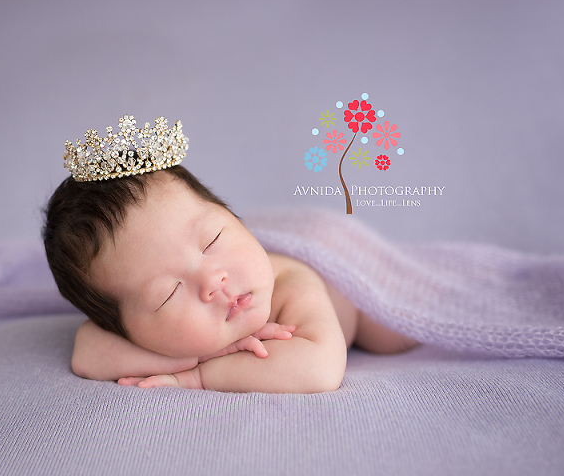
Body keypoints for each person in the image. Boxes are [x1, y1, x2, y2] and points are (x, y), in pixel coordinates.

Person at [43, 116, 418, 393]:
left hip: (349, 278)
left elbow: (318, 368)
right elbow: (87, 354)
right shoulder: (131, 327)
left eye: (213, 240)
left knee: (392, 331)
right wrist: (194, 353)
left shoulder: (291, 286)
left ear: (234, 219)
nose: (213, 280)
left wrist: (199, 374)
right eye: (167, 294)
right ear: (126, 329)